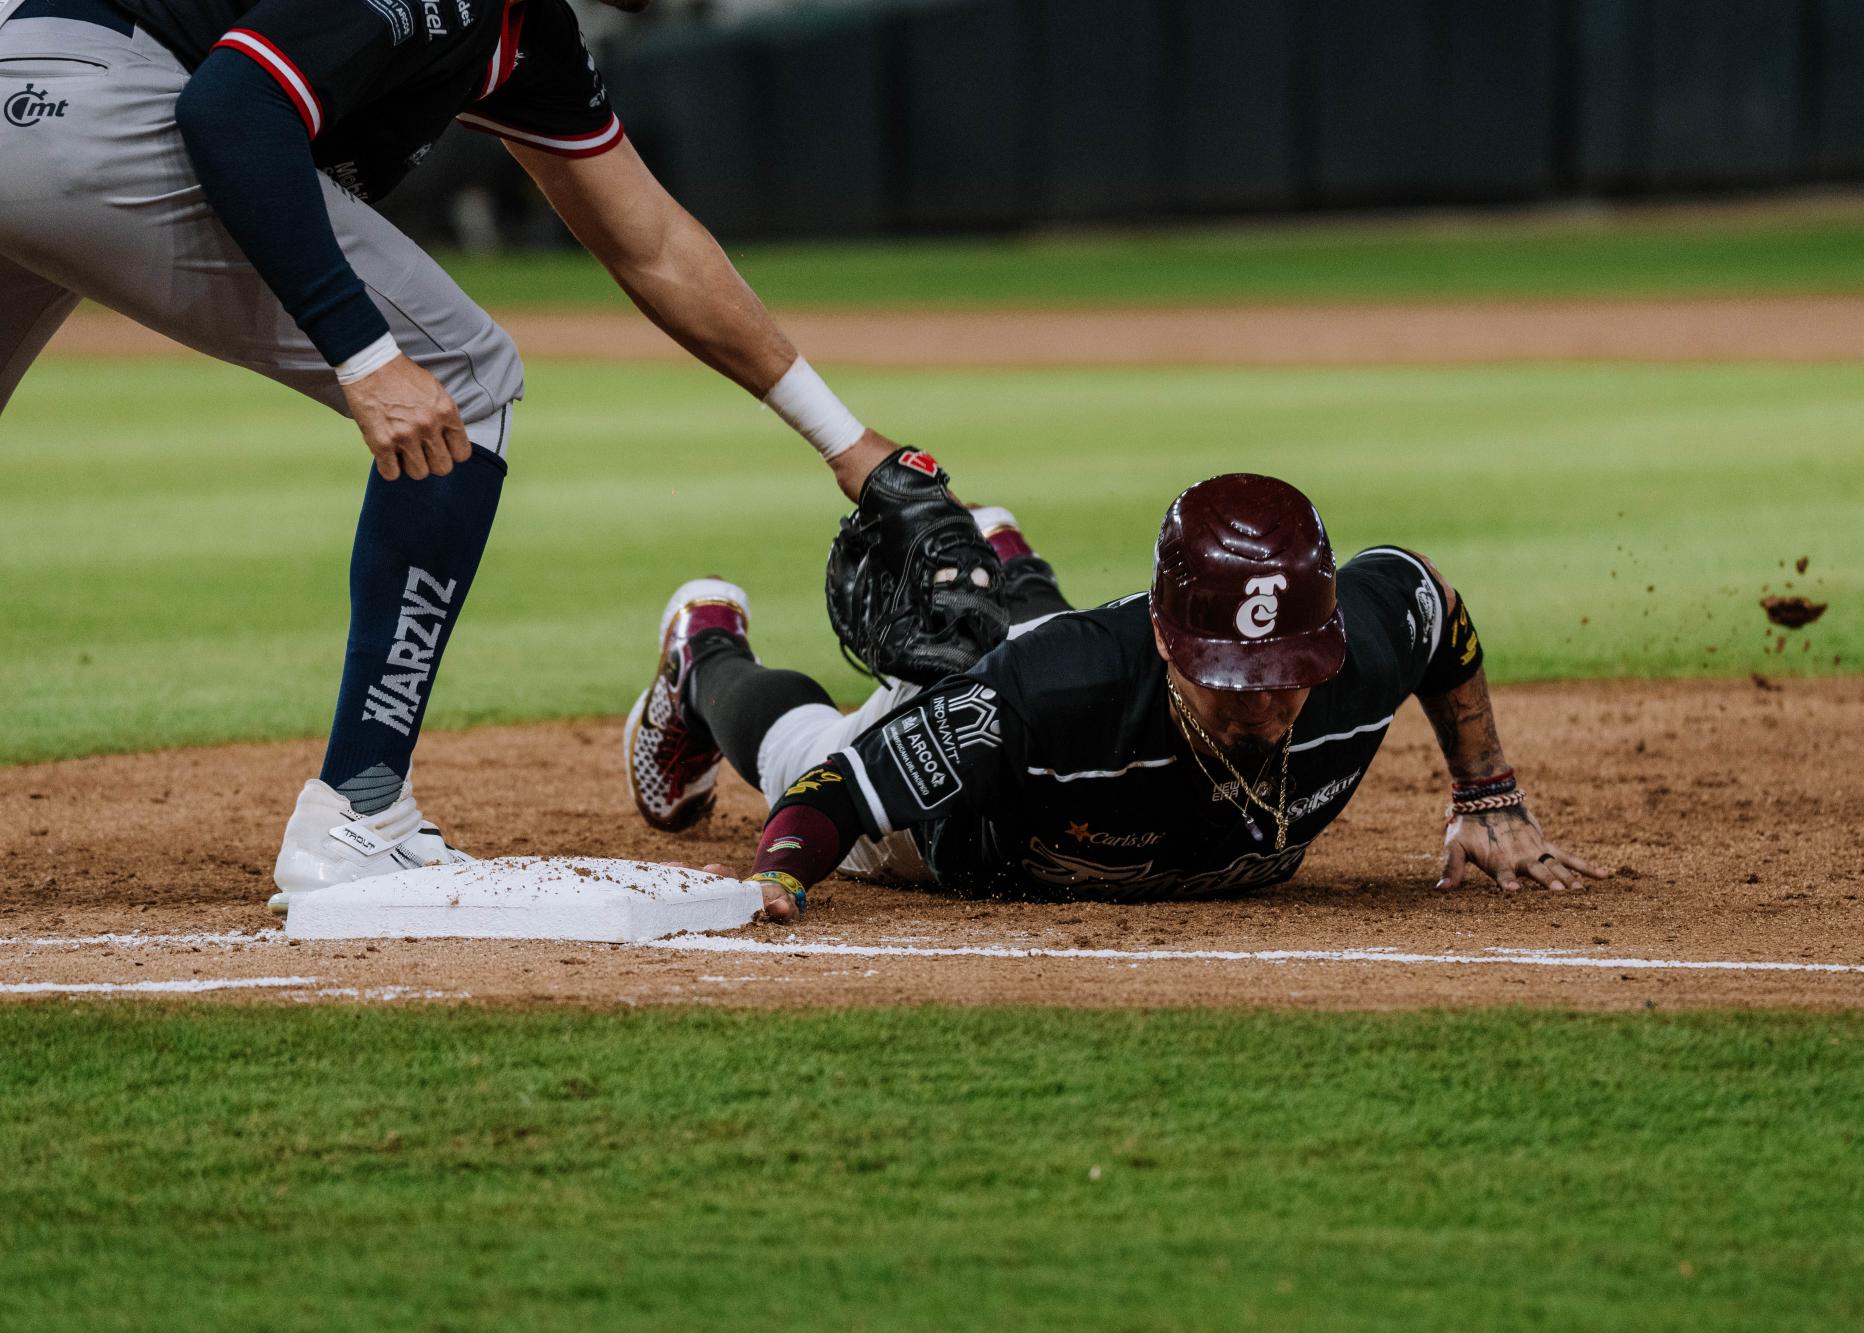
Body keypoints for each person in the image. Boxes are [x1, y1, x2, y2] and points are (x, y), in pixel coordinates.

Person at [0, 0, 996, 914]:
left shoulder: (528, 34)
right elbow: (230, 106)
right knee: (461, 380)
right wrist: (364, 352)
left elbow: (646, 238)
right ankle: (361, 810)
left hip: (30, 78)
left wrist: (841, 438)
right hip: (98, 111)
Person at [624, 473, 1608, 920]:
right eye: (1234, 678)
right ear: (1166, 642)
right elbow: (837, 791)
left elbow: (1430, 600)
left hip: (1065, 685)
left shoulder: (1358, 643)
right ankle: (702, 649)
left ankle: (1008, 564)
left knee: (1044, 656)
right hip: (961, 840)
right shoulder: (1039, 699)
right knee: (804, 746)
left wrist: (1488, 791)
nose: (1266, 707)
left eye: (1287, 677)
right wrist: (782, 875)